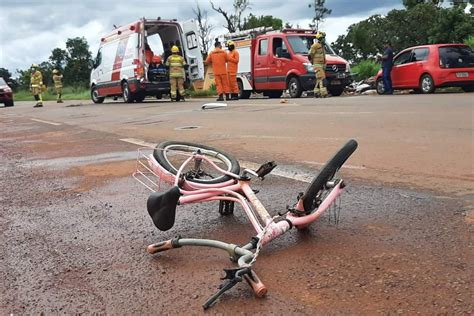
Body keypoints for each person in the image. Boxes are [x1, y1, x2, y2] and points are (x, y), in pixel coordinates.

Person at [308, 31, 328, 98]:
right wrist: (312, 63)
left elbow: (324, 56)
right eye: (323, 38)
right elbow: (310, 55)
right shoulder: (315, 46)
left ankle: (316, 92)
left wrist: (325, 63)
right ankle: (323, 93)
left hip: (322, 65)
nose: (324, 39)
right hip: (317, 64)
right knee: (322, 78)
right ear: (319, 38)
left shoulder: (322, 46)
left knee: (319, 79)